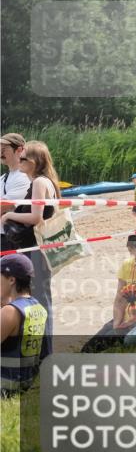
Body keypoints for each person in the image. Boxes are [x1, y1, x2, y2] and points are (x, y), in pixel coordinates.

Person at [0, 141, 59, 341]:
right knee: (39, 297)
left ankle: (45, 350)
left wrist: (9, 217)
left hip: (36, 249)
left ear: (35, 161)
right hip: (36, 248)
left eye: (23, 158)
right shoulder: (43, 181)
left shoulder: (39, 182)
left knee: (40, 299)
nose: (20, 160)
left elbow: (36, 217)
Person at [1, 253, 49, 396]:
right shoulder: (38, 308)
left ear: (11, 280)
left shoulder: (10, 311)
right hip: (25, 382)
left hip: (6, 385)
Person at [0, 133, 30, 218]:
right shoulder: (3, 178)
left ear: (19, 150)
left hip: (9, 231)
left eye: (4, 149)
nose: (0, 153)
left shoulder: (24, 177)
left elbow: (2, 207)